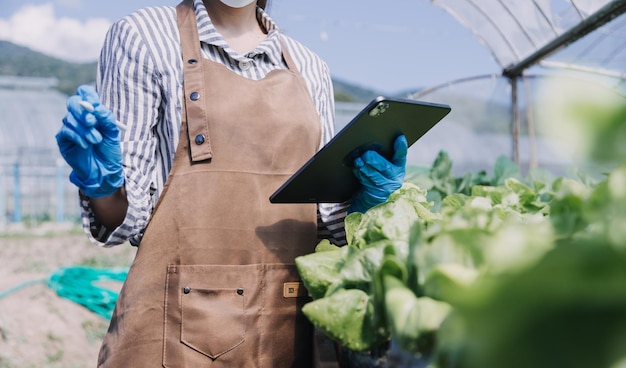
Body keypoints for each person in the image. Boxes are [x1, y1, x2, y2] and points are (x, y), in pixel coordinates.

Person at [55, 0, 407, 366]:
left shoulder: (311, 68)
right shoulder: (144, 36)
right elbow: (128, 219)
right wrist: (104, 186)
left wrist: (365, 202)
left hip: (285, 329)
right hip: (174, 336)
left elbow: (330, 225)